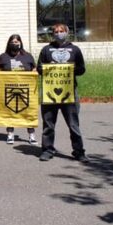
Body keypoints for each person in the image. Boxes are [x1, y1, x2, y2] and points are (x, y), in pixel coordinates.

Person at [37, 24, 89, 162]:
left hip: (69, 92)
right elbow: (39, 68)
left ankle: (79, 152)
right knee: (48, 124)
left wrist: (70, 69)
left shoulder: (75, 49)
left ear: (67, 32)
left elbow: (82, 69)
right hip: (50, 93)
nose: (58, 33)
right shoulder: (46, 49)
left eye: (61, 31)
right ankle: (48, 150)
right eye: (55, 31)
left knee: (73, 124)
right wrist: (48, 68)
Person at [0, 34, 36, 144]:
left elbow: (33, 68)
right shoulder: (4, 56)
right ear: (9, 43)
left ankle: (31, 135)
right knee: (10, 111)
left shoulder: (27, 56)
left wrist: (34, 71)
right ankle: (10, 134)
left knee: (28, 111)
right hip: (9, 88)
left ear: (20, 43)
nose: (15, 44)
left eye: (16, 42)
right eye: (13, 42)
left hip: (26, 88)